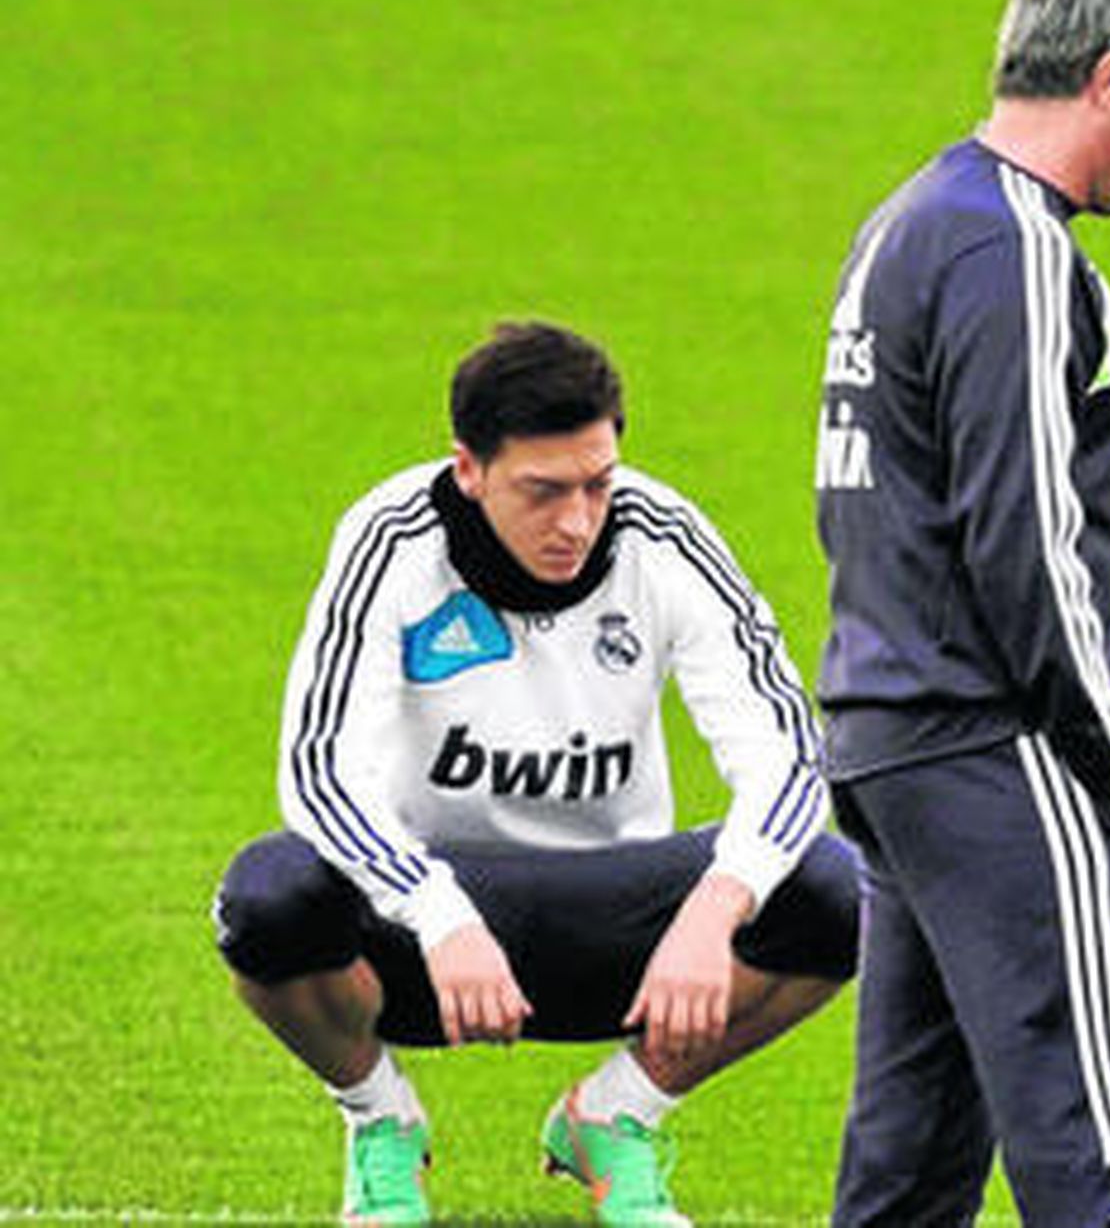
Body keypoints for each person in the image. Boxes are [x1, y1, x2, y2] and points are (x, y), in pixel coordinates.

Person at [214, 320, 859, 1228]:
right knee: (267, 898)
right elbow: (321, 772)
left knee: (834, 889)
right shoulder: (391, 539)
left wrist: (717, 908)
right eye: (543, 491)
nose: (577, 520)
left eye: (597, 483)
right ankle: (380, 1120)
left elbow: (789, 755)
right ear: (469, 470)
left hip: (621, 925)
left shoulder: (663, 536)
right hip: (427, 936)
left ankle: (616, 1114)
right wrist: (437, 913)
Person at [813, 0, 1110, 1226]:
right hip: (994, 749)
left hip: (889, 740)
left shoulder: (906, 224)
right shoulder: (1014, 251)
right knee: (1095, 1164)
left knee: (907, 1178)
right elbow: (1028, 545)